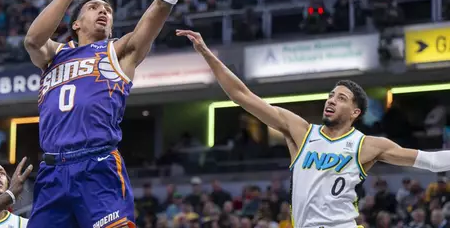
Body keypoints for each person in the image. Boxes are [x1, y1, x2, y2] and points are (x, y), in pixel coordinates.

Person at [24, 0, 216, 228]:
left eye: (108, 10)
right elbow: (33, 38)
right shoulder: (54, 54)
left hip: (97, 165)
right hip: (52, 172)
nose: (104, 13)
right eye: (95, 8)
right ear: (76, 23)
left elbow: (161, 4)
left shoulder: (120, 51)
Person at [178, 29, 450, 228]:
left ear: (355, 113)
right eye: (331, 95)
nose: (331, 100)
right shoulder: (301, 132)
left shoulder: (368, 145)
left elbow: (432, 160)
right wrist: (207, 54)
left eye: (340, 98)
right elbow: (243, 96)